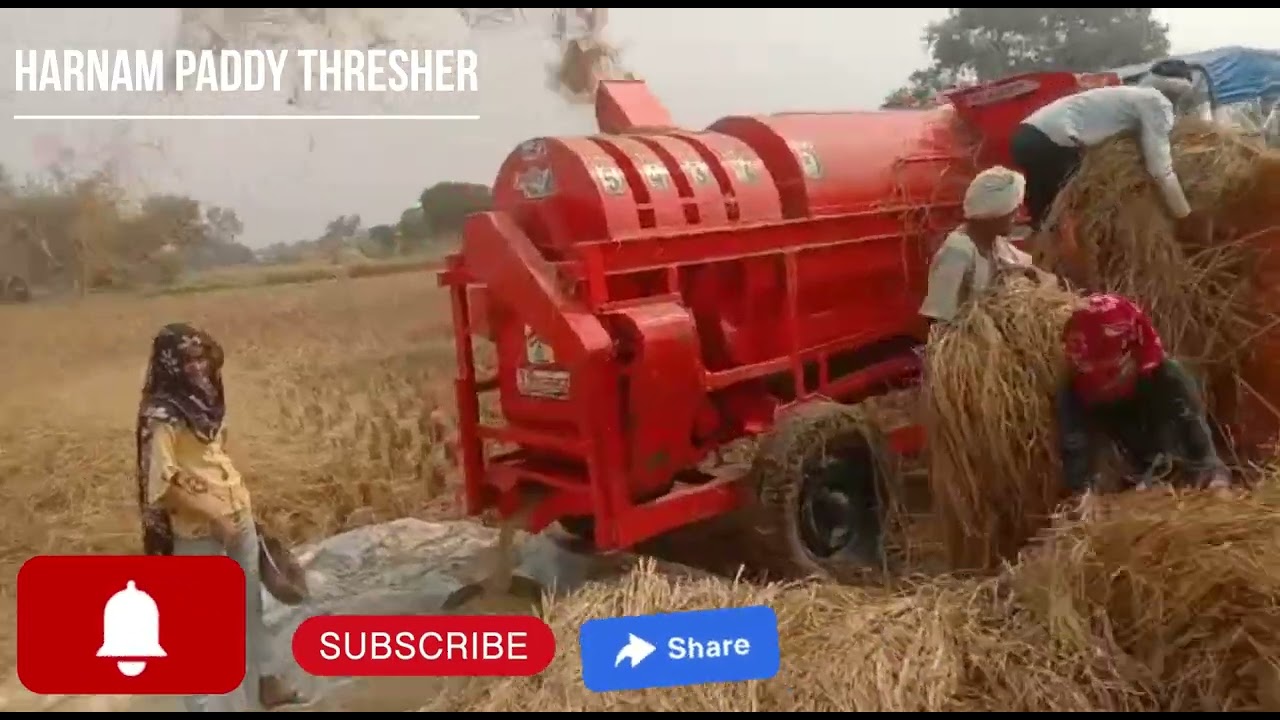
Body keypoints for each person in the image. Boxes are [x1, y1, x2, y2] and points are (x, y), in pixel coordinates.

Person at [135, 323, 302, 712]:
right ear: (170, 365)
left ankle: (266, 682)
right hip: (199, 530)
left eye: (201, 358)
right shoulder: (162, 414)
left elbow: (216, 458)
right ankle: (204, 705)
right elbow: (162, 483)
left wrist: (239, 509)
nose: (198, 367)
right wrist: (214, 515)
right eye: (188, 360)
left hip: (236, 518)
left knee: (249, 606)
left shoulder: (206, 401)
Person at [1056, 294, 1231, 500]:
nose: (1099, 385)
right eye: (1087, 373)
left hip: (1178, 494)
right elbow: (1080, 474)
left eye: (1109, 373)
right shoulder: (1076, 392)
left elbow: (1205, 459)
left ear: (1134, 356)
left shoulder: (1168, 380)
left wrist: (1215, 488)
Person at [1009, 61, 1197, 231]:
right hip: (1052, 143)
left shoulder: (1129, 94)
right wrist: (1184, 214)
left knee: (1043, 219)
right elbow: (1160, 168)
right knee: (1072, 211)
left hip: (1026, 136)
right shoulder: (1156, 102)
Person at [919, 165, 1056, 325]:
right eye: (1013, 211)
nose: (1017, 216)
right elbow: (937, 317)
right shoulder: (957, 252)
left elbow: (1031, 270)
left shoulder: (995, 243)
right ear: (995, 213)